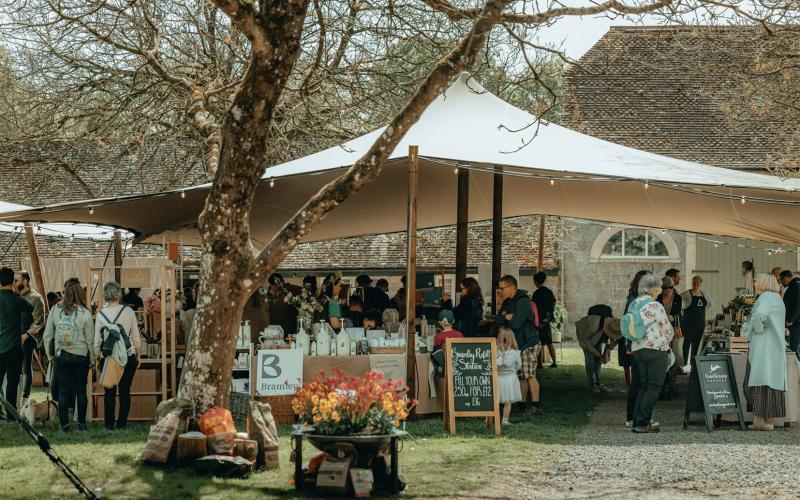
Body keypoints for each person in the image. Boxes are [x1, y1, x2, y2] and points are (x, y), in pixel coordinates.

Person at [44, 280, 95, 431]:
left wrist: (50, 356)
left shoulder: (55, 310)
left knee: (63, 391)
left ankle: (64, 424)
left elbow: (47, 336)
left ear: (64, 293)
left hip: (61, 355)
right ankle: (81, 423)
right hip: (81, 355)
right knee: (81, 390)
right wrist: (92, 358)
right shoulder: (85, 313)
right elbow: (90, 339)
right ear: (81, 294)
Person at [628, 274, 674, 433]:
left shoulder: (634, 304)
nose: (661, 291)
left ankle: (636, 420)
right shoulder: (655, 306)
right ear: (653, 289)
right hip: (655, 349)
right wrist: (668, 339)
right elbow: (668, 329)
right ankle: (642, 423)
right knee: (654, 387)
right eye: (659, 288)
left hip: (638, 349)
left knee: (643, 386)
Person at [94, 282, 141, 430]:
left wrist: (97, 357)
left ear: (105, 296)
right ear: (119, 295)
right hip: (128, 355)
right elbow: (135, 337)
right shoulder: (128, 312)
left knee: (110, 391)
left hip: (108, 357)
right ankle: (122, 423)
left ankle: (109, 424)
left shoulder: (101, 314)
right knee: (125, 390)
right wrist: (138, 355)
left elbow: (97, 340)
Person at [744, 273, 787, 431]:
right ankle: (769, 419)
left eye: (756, 281)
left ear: (763, 282)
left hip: (763, 346)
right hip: (775, 346)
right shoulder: (777, 298)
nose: (755, 283)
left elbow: (758, 316)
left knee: (757, 381)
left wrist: (758, 329)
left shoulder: (765, 297)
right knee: (770, 382)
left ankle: (760, 421)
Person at [494, 275, 541, 414]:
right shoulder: (507, 302)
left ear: (512, 287)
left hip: (529, 342)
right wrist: (506, 316)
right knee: (521, 375)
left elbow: (515, 324)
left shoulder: (523, 302)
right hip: (518, 344)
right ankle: (522, 405)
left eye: (502, 288)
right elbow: (497, 320)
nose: (500, 291)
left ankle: (536, 405)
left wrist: (507, 317)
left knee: (529, 374)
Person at [0, 267, 33, 421]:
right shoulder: (15, 299)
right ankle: (12, 415)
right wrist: (16, 292)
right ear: (13, 282)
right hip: (13, 346)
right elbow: (30, 307)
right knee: (12, 382)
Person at [623, 270, 650, 426]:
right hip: (636, 344)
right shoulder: (634, 299)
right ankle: (632, 416)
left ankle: (639, 415)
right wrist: (628, 345)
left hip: (644, 344)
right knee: (638, 382)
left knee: (643, 382)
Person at [14, 271, 45, 404]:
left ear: (25, 281)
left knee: (26, 367)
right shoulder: (15, 296)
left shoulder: (36, 298)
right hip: (13, 337)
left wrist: (26, 335)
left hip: (27, 338)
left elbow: (39, 321)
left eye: (17, 280)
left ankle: (25, 398)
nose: (14, 283)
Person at [576, 315, 621, 392]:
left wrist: (610, 347)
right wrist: (595, 352)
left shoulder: (615, 325)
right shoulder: (593, 325)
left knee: (598, 360)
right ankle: (592, 384)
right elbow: (584, 341)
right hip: (585, 337)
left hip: (597, 336)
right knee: (590, 361)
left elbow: (617, 339)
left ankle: (598, 383)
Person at [680, 276, 710, 367]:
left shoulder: (704, 294)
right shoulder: (686, 294)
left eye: (698, 282)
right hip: (688, 323)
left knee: (696, 345)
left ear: (701, 284)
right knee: (686, 343)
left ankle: (694, 365)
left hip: (700, 324)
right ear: (692, 283)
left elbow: (708, 306)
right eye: (694, 282)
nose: (696, 284)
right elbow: (678, 302)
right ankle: (684, 364)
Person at [495, 327, 522, 425]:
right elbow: (519, 365)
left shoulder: (495, 351)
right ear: (512, 339)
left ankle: (490, 418)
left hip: (497, 379)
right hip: (510, 379)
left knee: (495, 401)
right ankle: (505, 420)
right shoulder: (515, 353)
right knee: (508, 402)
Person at [532, 272, 558, 369]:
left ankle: (539, 363)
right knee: (549, 342)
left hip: (538, 321)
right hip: (546, 320)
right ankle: (554, 362)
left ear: (535, 281)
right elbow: (553, 303)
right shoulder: (549, 292)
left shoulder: (536, 294)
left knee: (537, 342)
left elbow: (533, 308)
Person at [657, 276, 683, 367]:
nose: (668, 290)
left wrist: (673, 316)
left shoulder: (677, 298)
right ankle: (664, 370)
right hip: (661, 329)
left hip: (674, 327)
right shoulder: (658, 298)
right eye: (665, 288)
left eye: (671, 287)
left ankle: (675, 370)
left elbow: (679, 314)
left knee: (676, 350)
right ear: (661, 288)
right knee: (664, 351)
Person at [781, 270, 800, 361]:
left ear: (786, 277)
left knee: (795, 348)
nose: (781, 282)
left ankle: (797, 369)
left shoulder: (796, 286)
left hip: (796, 322)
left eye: (782, 279)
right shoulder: (793, 286)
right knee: (794, 346)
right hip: (795, 322)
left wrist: (791, 319)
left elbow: (798, 304)